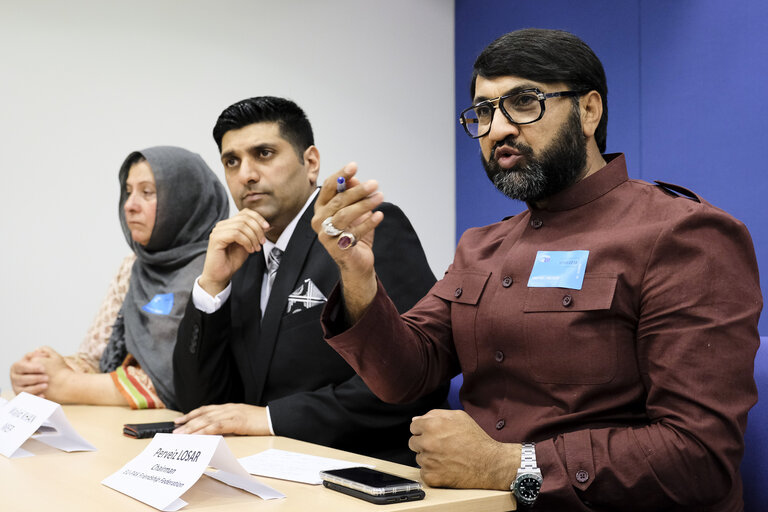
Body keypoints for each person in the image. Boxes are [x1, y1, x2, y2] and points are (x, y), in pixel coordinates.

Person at [312, 29, 762, 511]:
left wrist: (511, 464)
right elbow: (404, 375)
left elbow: (700, 456)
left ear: (589, 111)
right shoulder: (482, 245)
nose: (499, 129)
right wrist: (357, 275)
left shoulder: (685, 236)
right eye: (483, 112)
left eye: (524, 102)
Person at [171, 96, 447, 465]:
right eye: (231, 161)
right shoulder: (243, 255)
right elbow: (200, 405)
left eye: (264, 153)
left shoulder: (362, 229)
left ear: (311, 163)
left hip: (363, 468)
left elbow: (416, 382)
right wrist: (211, 286)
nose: (246, 174)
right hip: (262, 468)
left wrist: (270, 419)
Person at [10, 147, 229, 410]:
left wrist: (67, 384)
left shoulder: (220, 266)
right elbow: (96, 356)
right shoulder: (134, 265)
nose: (129, 205)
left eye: (147, 193)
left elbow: (173, 381)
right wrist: (40, 373)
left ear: (185, 200)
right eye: (128, 191)